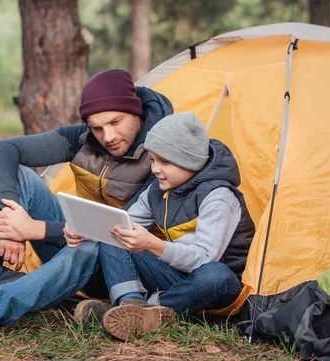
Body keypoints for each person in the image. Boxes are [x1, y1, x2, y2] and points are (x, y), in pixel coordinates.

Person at [0, 69, 174, 344]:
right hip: (76, 237)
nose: (108, 136)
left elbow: (120, 230)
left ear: (136, 110)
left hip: (125, 262)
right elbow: (4, 150)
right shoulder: (83, 139)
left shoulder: (162, 153)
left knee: (92, 245)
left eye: (115, 122)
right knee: (19, 180)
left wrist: (34, 229)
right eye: (97, 127)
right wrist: (8, 218)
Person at [70, 111, 255, 341]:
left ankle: (146, 310)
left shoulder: (218, 197)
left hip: (214, 285)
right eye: (153, 160)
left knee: (215, 275)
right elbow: (122, 223)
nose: (155, 169)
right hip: (175, 275)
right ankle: (130, 303)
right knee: (118, 232)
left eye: (164, 162)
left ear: (190, 161)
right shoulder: (158, 189)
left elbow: (204, 259)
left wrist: (154, 245)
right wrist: (83, 230)